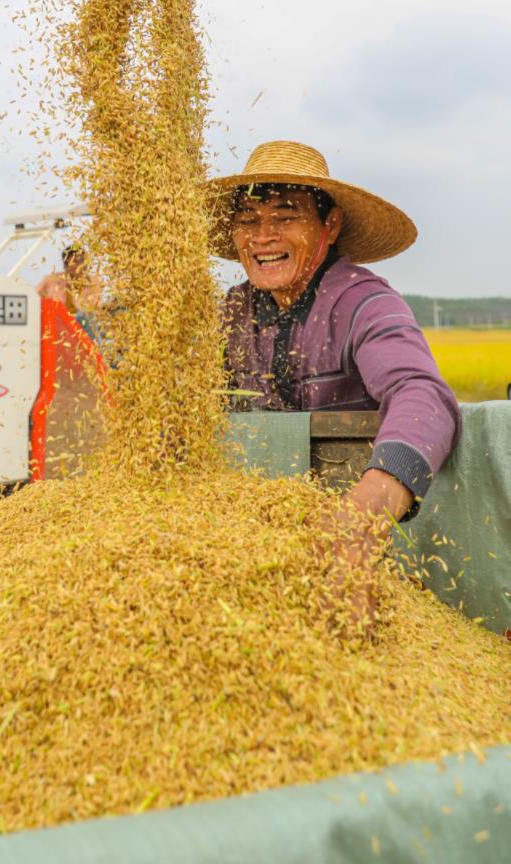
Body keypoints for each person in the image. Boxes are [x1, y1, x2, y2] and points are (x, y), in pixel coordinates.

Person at [210, 140, 461, 623]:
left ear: (330, 224)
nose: (263, 236)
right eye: (249, 219)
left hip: (363, 538)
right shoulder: (230, 314)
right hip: (252, 544)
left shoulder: (362, 302)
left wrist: (370, 505)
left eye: (285, 215)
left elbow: (422, 393)